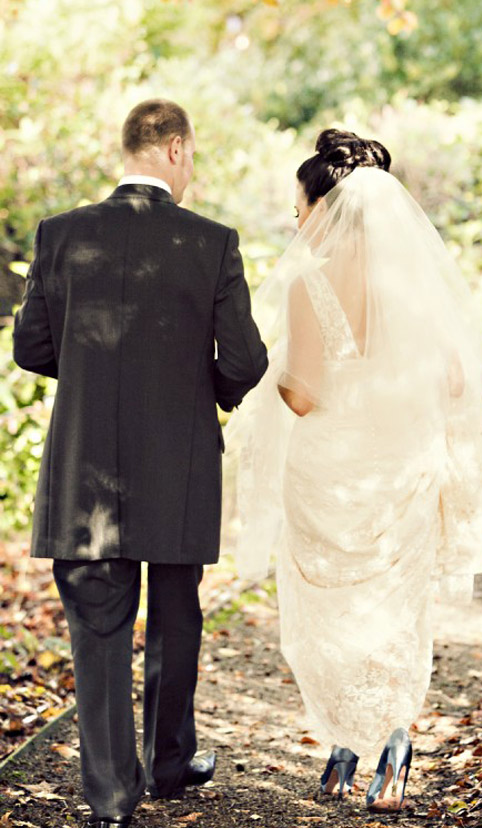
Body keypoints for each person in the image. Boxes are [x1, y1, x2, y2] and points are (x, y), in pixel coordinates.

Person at [224, 129, 482, 811]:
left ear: (326, 207)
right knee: (398, 609)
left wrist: (267, 384)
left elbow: (300, 394)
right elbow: (455, 382)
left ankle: (343, 746)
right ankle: (395, 749)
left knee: (332, 612)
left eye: (299, 207)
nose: (296, 219)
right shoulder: (418, 292)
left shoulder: (310, 284)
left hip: (328, 471)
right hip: (400, 467)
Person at [12, 99, 268, 828]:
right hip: (179, 462)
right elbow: (246, 359)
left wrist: (95, 374)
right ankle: (168, 760)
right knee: (176, 613)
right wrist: (200, 394)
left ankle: (110, 800)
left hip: (82, 469)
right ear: (175, 149)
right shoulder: (212, 242)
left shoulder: (61, 235)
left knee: (96, 632)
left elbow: (31, 348)